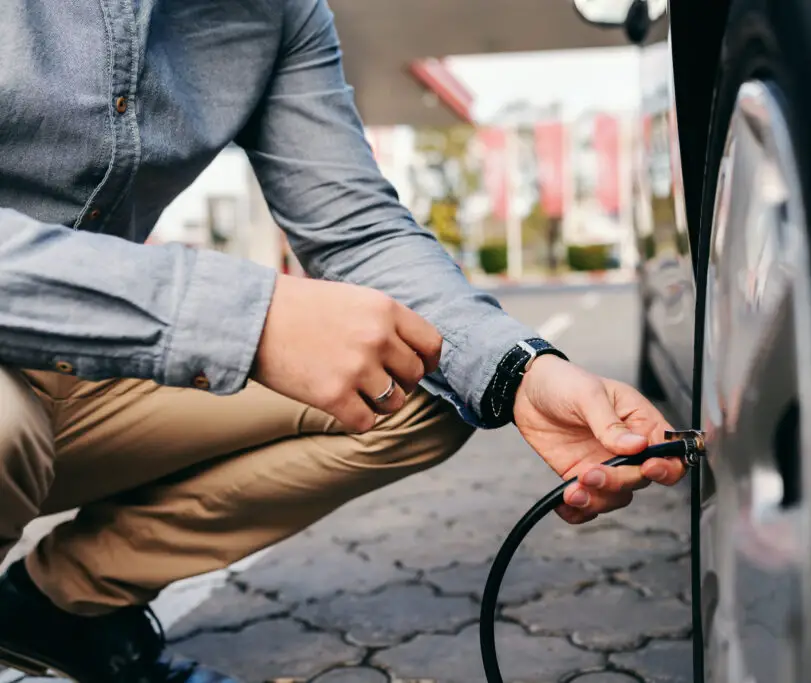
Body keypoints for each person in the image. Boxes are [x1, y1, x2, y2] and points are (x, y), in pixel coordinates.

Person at [0, 1, 686, 680]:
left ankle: (61, 607)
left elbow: (359, 229)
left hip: (88, 370)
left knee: (418, 374)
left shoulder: (277, 15)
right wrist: (251, 319)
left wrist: (523, 374)